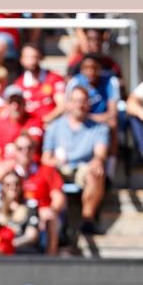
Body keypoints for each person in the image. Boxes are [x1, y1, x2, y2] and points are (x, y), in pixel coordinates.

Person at [42, 86, 108, 234]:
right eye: (76, 100)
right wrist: (56, 162)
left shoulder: (99, 128)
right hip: (59, 168)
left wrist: (98, 161)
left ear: (89, 104)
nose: (80, 104)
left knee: (96, 171)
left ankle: (87, 218)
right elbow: (45, 158)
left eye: (84, 101)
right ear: (69, 103)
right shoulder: (55, 126)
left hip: (83, 167)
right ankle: (53, 222)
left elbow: (100, 153)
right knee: (47, 173)